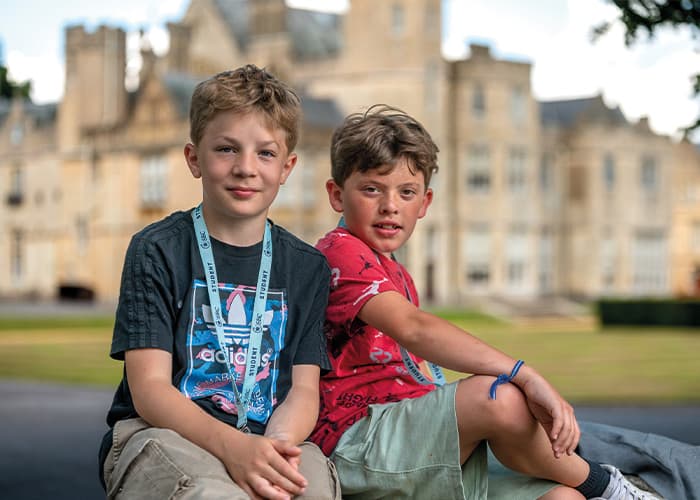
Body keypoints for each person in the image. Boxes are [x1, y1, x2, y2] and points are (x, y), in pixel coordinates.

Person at [308, 104, 656, 500]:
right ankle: (605, 485)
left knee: (562, 497)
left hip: (412, 441)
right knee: (500, 398)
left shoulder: (394, 270)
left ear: (424, 203)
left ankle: (590, 486)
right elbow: (415, 329)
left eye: (406, 192)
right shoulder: (340, 252)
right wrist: (524, 374)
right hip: (358, 442)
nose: (390, 205)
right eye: (372, 189)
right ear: (337, 195)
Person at [99, 64, 340, 500]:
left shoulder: (308, 268)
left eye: (265, 154)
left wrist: (271, 450)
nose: (246, 168)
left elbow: (304, 389)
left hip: (270, 433)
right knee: (214, 495)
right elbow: (150, 389)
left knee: (312, 490)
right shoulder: (157, 250)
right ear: (195, 158)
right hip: (164, 432)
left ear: (287, 167)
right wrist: (234, 448)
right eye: (227, 149)